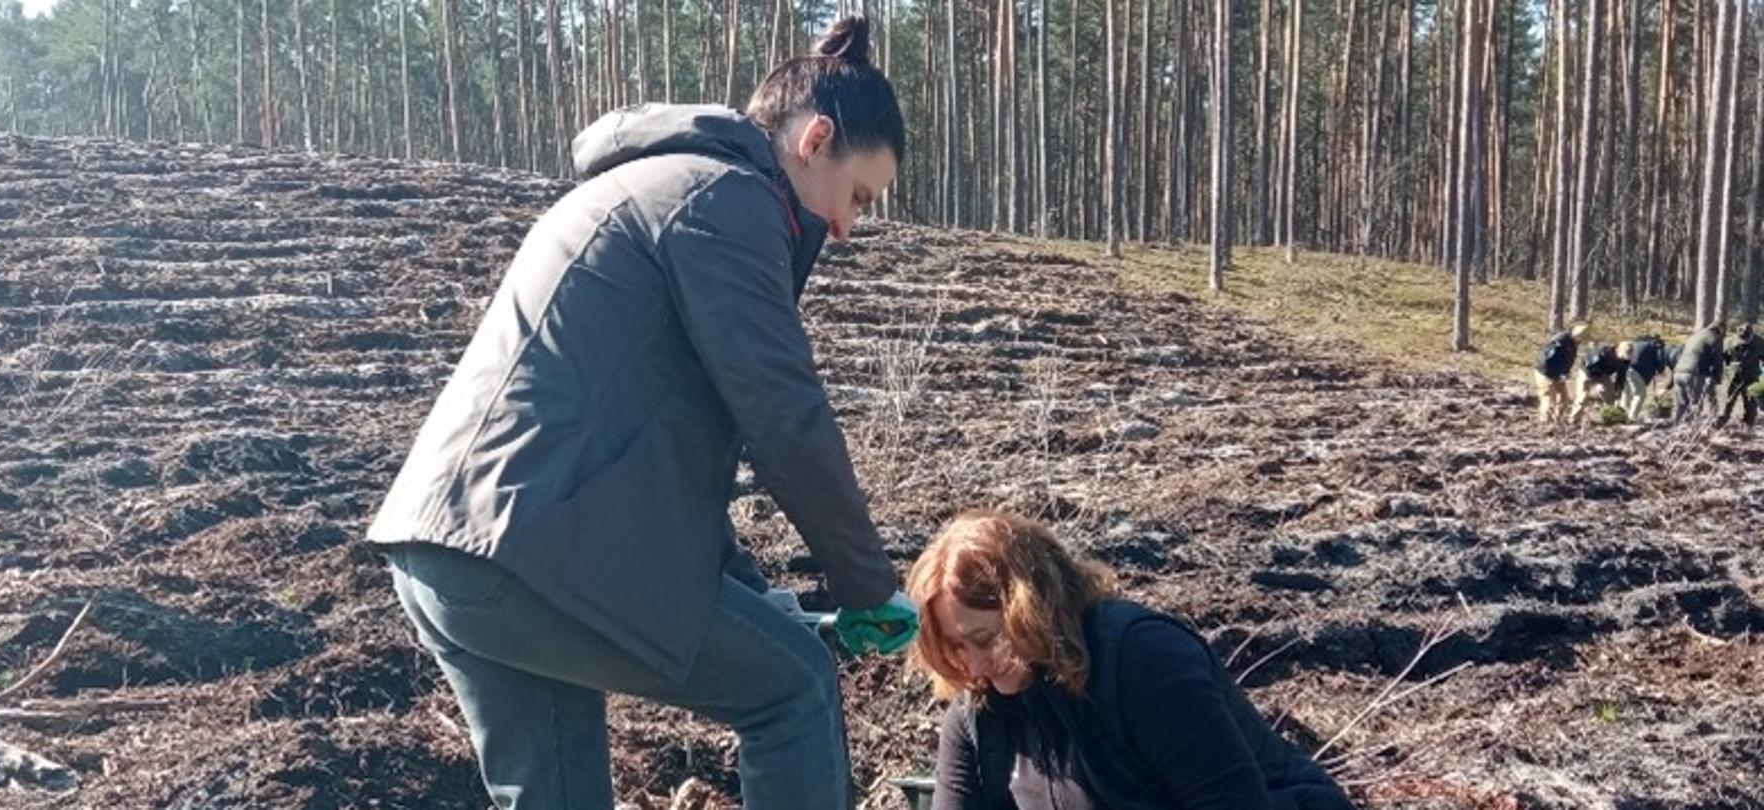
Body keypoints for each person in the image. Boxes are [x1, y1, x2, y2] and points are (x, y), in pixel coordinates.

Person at [365, 17, 916, 809]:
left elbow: (649, 452)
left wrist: (760, 596)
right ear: (815, 138)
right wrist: (869, 586)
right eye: (858, 195)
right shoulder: (726, 201)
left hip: (449, 554)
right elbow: (783, 416)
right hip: (529, 552)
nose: (846, 226)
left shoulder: (652, 187)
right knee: (793, 687)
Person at [908, 510, 1353, 810]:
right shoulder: (978, 716)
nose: (976, 667)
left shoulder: (1144, 661)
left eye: (985, 640)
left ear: (1034, 610)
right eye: (955, 650)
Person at [1672, 324, 1726, 421]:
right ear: (1720, 330)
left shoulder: (1693, 337)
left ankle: (1677, 426)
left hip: (1678, 372)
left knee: (1681, 405)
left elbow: (1677, 354)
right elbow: (1718, 360)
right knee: (1695, 404)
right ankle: (1693, 429)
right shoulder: (1714, 338)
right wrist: (1718, 378)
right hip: (1694, 374)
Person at [1533, 323, 1586, 424]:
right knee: (1548, 397)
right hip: (1546, 372)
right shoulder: (1560, 341)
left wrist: (1564, 374)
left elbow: (1567, 361)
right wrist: (1552, 377)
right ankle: (1545, 422)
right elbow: (1547, 359)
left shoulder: (1573, 343)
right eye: (1580, 336)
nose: (1581, 340)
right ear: (1574, 332)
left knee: (1564, 399)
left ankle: (1557, 420)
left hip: (1559, 374)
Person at [1573, 340, 1631, 419]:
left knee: (1610, 396)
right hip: (1587, 372)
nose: (1623, 359)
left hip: (1604, 374)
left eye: (1625, 357)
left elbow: (1621, 376)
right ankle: (1573, 419)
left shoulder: (1625, 360)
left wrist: (1618, 393)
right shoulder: (1602, 353)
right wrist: (1594, 385)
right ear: (1617, 350)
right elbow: (1587, 366)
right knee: (1582, 398)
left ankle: (1606, 417)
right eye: (1622, 356)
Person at [1718, 322, 1761, 428]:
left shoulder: (1760, 343)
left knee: (1750, 402)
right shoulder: (1728, 342)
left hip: (1751, 376)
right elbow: (1722, 357)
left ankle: (1748, 424)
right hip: (1733, 376)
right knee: (1728, 400)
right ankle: (1722, 422)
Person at [1621, 335, 1669, 421]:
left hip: (1624, 369)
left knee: (1626, 393)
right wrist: (1660, 369)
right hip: (1637, 371)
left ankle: (1622, 416)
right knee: (1640, 394)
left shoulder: (1636, 343)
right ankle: (1632, 418)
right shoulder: (1654, 346)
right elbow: (1660, 360)